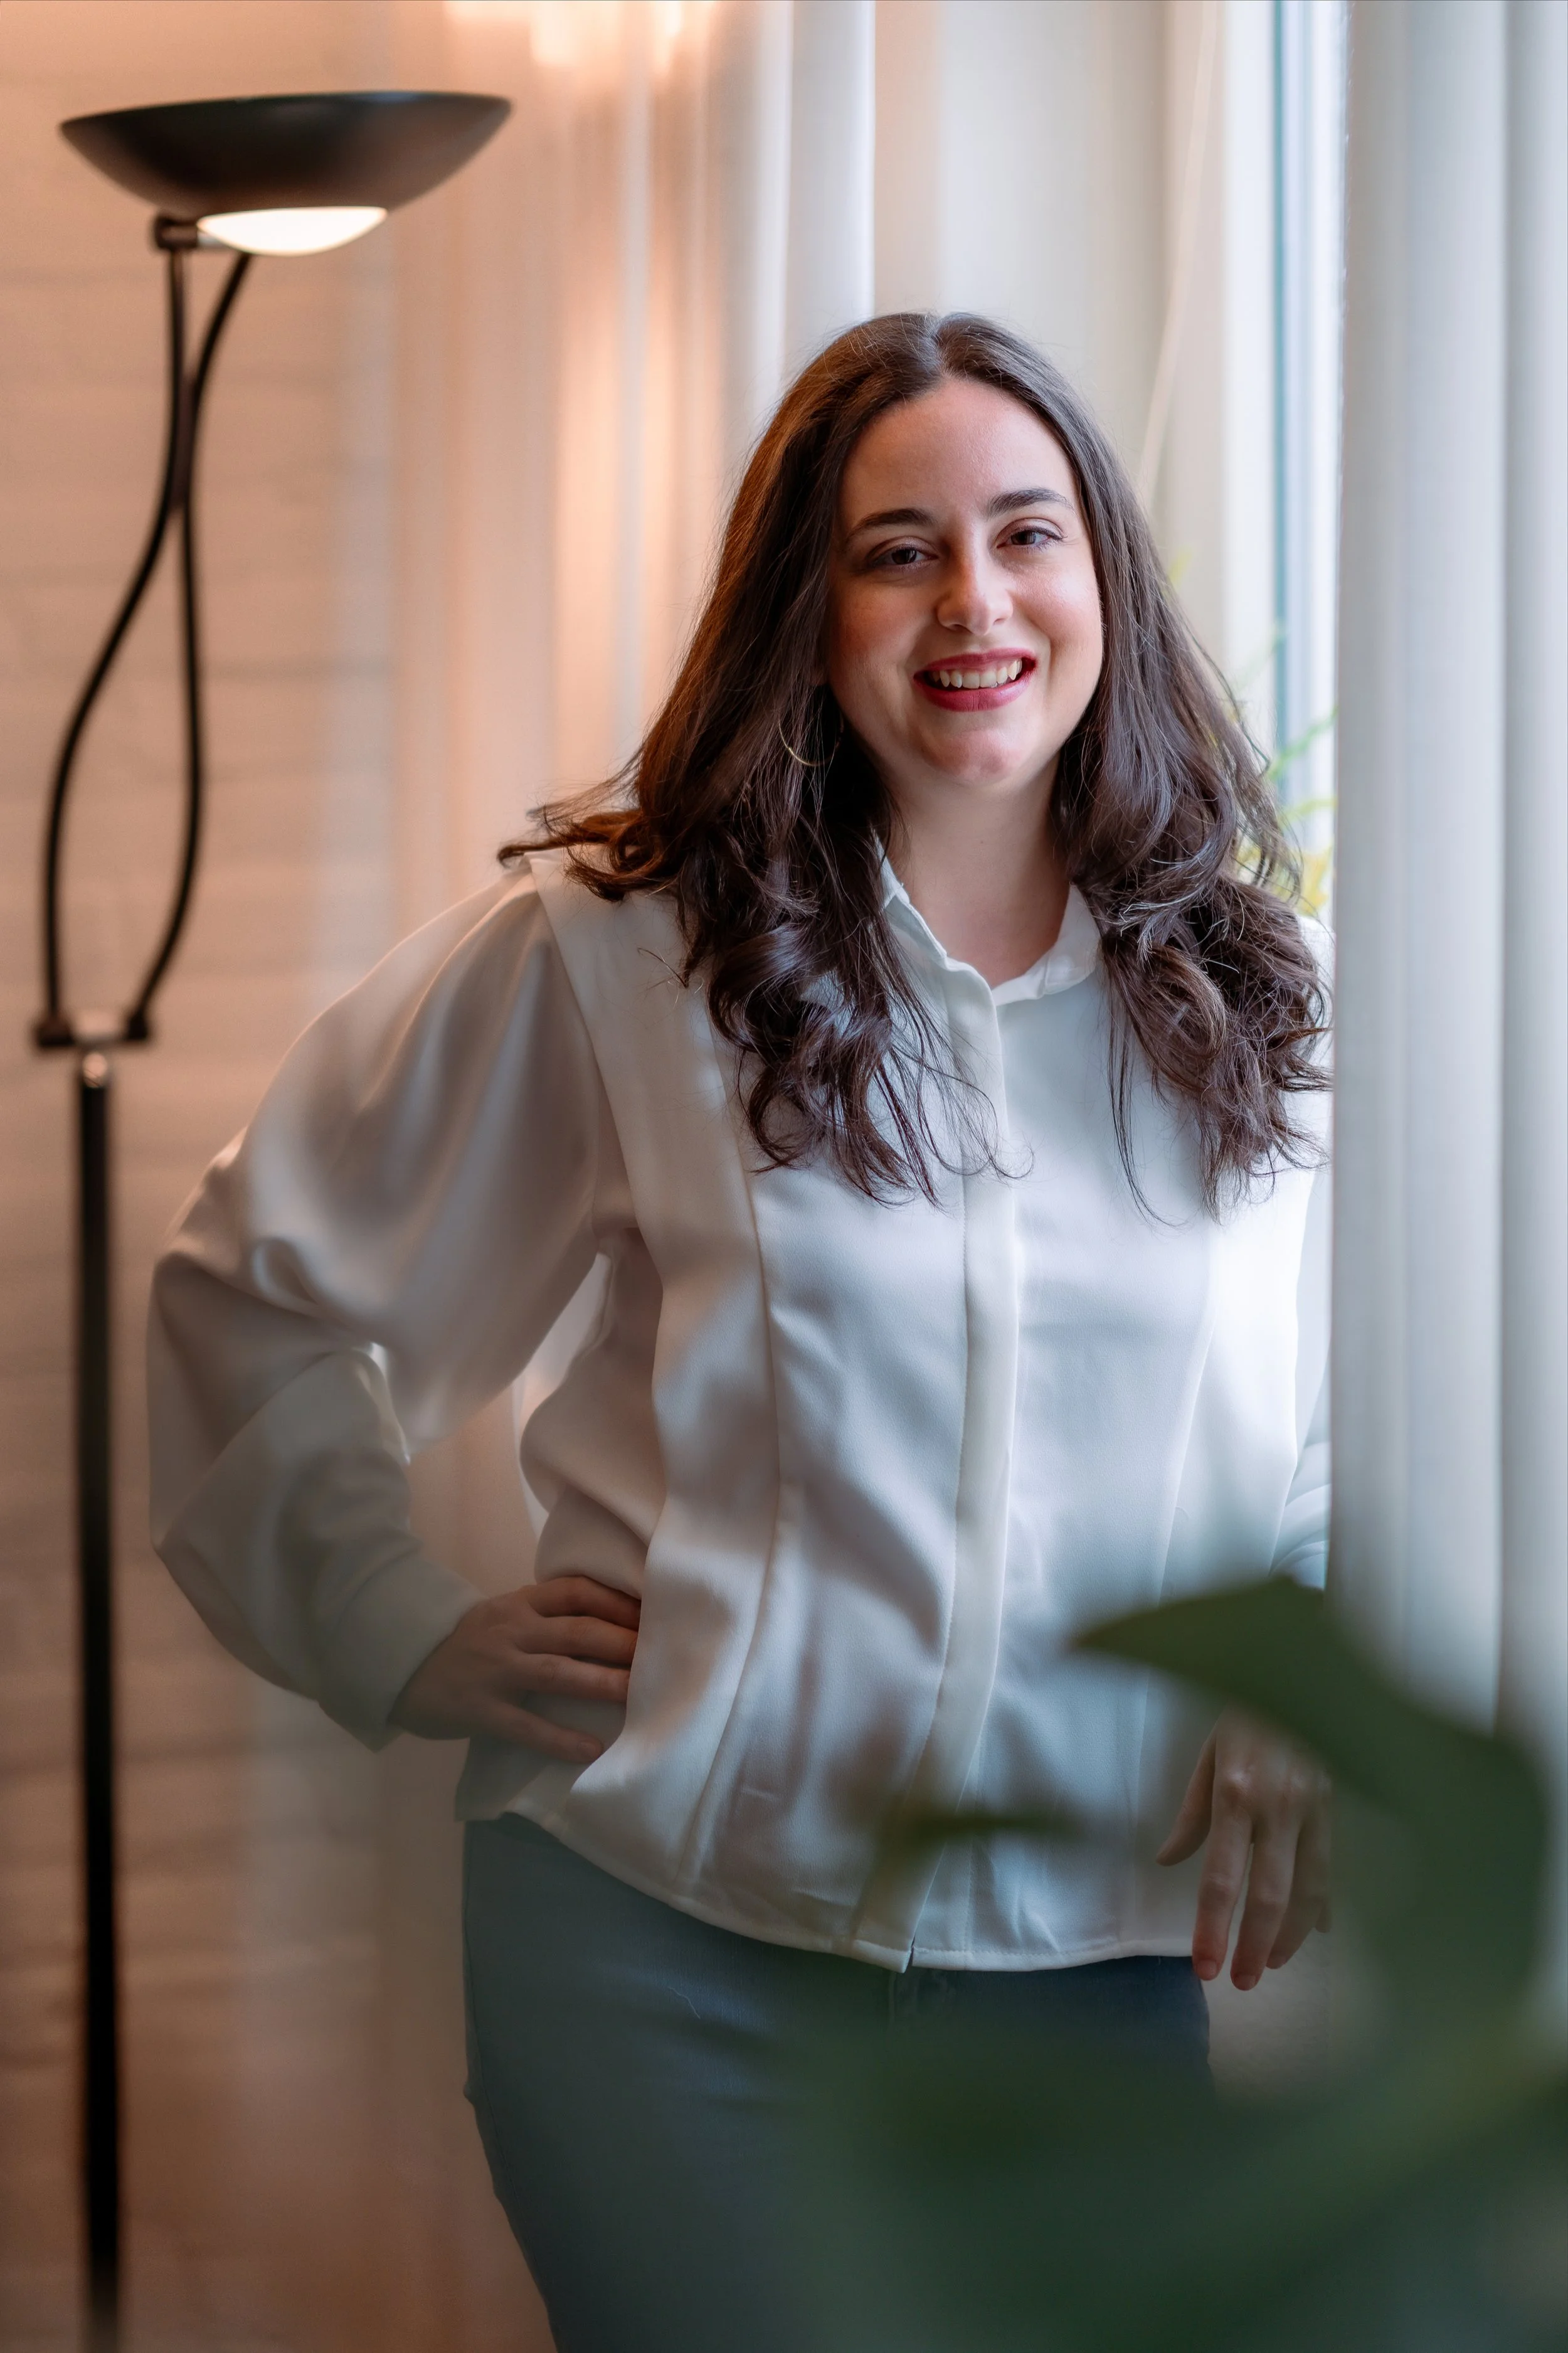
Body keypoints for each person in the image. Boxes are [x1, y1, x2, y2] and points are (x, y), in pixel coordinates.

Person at [148, 312, 1332, 2353]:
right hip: (661, 1969)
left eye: (1024, 534)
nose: (974, 601)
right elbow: (252, 1290)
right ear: (811, 604)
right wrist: (384, 1612)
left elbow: (1300, 1423)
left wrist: (1282, 1679)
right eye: (898, 549)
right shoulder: (620, 952)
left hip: (1084, 1976)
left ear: (1102, 583)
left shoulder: (1249, 991)